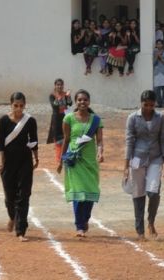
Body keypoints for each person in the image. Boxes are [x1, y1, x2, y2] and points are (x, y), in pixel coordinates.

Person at [124, 90, 164, 241]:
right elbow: (129, 141)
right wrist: (126, 165)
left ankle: (151, 221)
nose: (149, 108)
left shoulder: (160, 118)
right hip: (137, 158)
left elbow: (163, 139)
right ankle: (140, 231)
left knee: (153, 192)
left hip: (156, 158)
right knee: (138, 194)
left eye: (152, 105)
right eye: (146, 105)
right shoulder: (132, 118)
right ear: (141, 103)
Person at [57, 89, 103, 238]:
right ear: (76, 102)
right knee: (78, 194)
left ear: (89, 102)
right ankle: (79, 226)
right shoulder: (69, 119)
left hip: (89, 161)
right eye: (79, 100)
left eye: (85, 100)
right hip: (74, 161)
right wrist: (61, 159)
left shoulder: (96, 120)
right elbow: (66, 139)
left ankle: (85, 219)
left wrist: (100, 152)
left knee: (89, 193)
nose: (82, 102)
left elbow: (100, 140)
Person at [0, 92, 38, 242]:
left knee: (24, 194)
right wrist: (1, 161)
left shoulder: (30, 121)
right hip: (8, 161)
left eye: (21, 106)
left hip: (25, 161)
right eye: (16, 105)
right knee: (10, 196)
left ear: (25, 105)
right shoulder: (3, 121)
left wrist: (36, 157)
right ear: (11, 104)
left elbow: (34, 141)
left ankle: (21, 230)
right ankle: (12, 217)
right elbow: (0, 144)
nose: (19, 109)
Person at [47, 79, 72, 163]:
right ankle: (59, 158)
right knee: (57, 138)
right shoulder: (52, 95)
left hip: (66, 117)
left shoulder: (66, 94)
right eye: (58, 85)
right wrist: (60, 98)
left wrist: (68, 97)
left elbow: (70, 103)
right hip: (56, 118)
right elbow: (54, 106)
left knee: (67, 135)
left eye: (61, 85)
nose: (59, 86)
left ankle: (66, 155)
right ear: (55, 86)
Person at [153, 40, 164, 107]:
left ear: (162, 45)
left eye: (160, 44)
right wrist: (156, 57)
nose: (159, 45)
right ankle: (159, 102)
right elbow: (153, 63)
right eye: (158, 44)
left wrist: (160, 57)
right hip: (157, 72)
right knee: (157, 88)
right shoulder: (154, 52)